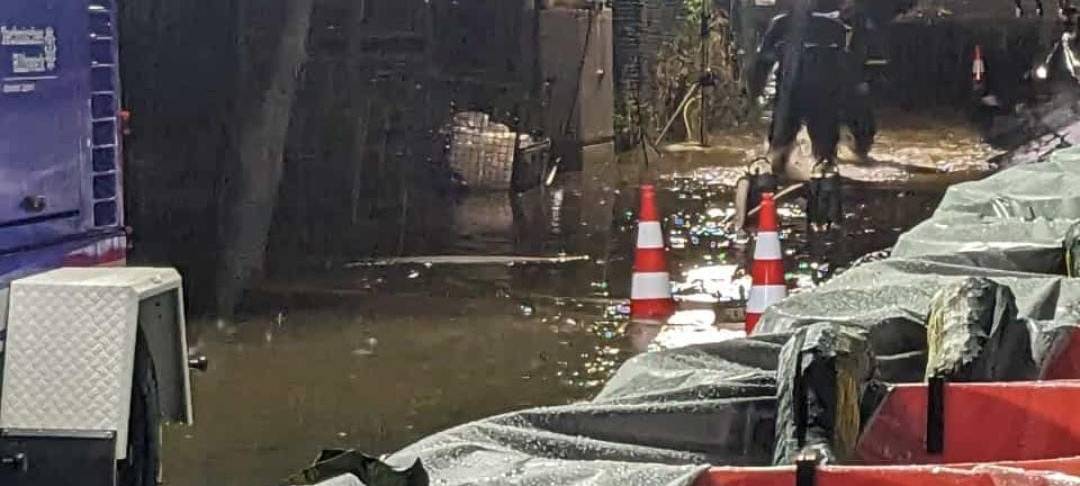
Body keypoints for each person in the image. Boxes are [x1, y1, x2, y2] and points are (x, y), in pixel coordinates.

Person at [749, 0, 851, 180]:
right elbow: (762, 64)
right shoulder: (781, 25)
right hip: (793, 95)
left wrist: (754, 91)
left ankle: (822, 185)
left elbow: (847, 67)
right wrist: (754, 91)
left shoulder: (834, 27)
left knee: (823, 152)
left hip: (819, 97)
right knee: (781, 149)